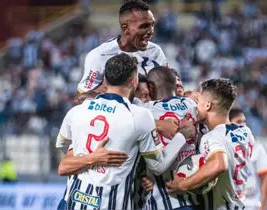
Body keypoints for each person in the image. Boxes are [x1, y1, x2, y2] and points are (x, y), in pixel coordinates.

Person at [56, 53, 196, 209]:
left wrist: (87, 159)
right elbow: (158, 165)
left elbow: (64, 147)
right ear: (134, 81)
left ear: (105, 80)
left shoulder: (77, 112)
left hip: (74, 201)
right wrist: (182, 135)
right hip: (111, 204)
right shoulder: (140, 117)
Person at [167, 78, 255, 210]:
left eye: (199, 103)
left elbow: (219, 164)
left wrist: (183, 184)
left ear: (207, 105)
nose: (196, 107)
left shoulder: (211, 137)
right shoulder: (245, 132)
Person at [76, 0, 168, 97]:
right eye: (144, 26)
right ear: (125, 28)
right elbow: (80, 99)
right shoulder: (99, 56)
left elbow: (169, 86)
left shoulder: (156, 51)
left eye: (152, 25)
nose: (151, 31)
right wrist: (99, 93)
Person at [139, 66, 199, 210]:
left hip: (162, 200)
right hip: (194, 196)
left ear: (151, 87)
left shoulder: (144, 111)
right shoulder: (192, 106)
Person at [229, 108, 267, 210]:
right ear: (228, 124)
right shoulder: (222, 148)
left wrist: (264, 206)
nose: (243, 125)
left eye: (244, 121)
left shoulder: (257, 148)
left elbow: (265, 179)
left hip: (251, 205)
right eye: (239, 121)